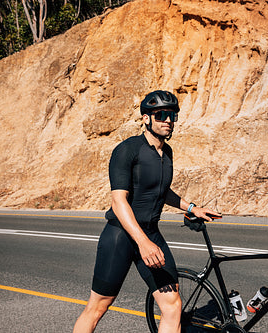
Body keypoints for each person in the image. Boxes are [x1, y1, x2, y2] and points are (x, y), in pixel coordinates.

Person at [73, 90, 220, 333]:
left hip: (150, 234)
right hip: (121, 236)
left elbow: (162, 191)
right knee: (98, 306)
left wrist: (193, 207)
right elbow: (118, 201)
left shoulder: (167, 152)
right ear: (146, 118)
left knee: (172, 305)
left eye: (172, 115)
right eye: (161, 115)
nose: (168, 120)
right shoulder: (127, 150)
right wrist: (142, 243)